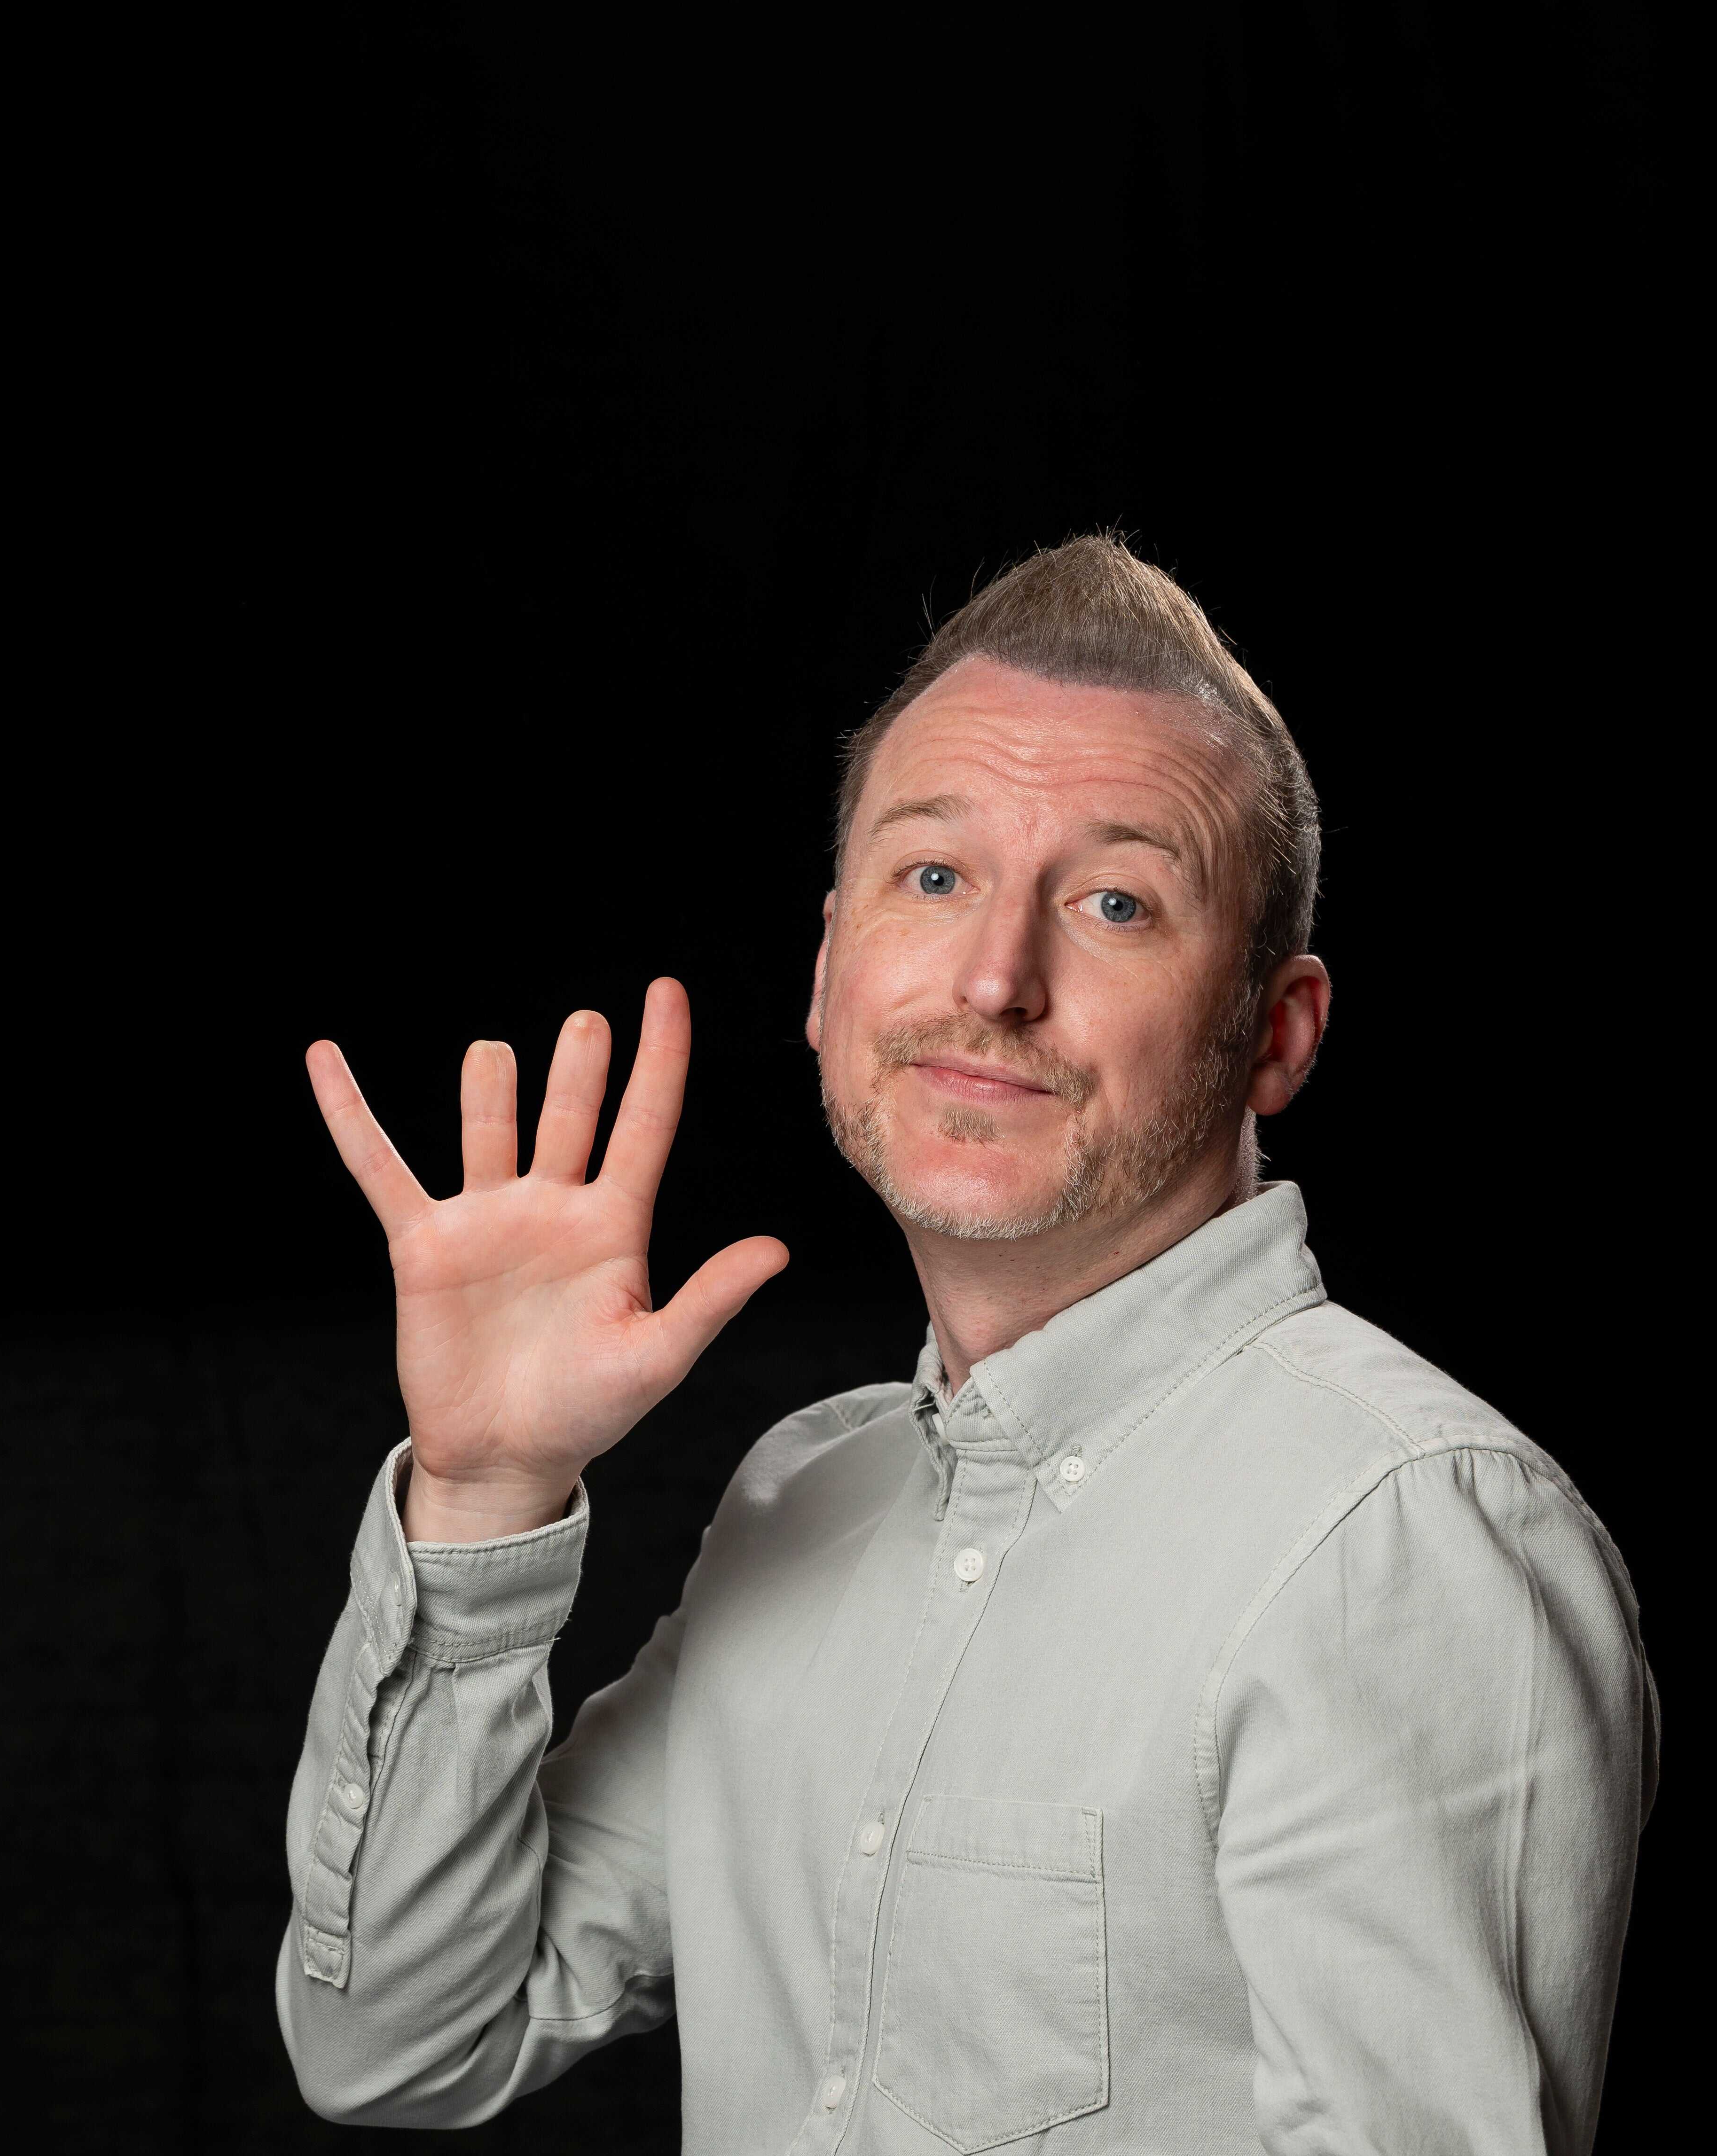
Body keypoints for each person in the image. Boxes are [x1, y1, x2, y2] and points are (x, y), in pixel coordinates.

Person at [275, 536, 1656, 2152]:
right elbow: (404, 2044)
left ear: (1275, 1035)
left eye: (1116, 903)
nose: (997, 980)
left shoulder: (1399, 1536)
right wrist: (483, 1497)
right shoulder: (809, 1496)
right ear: (828, 971)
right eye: (934, 878)